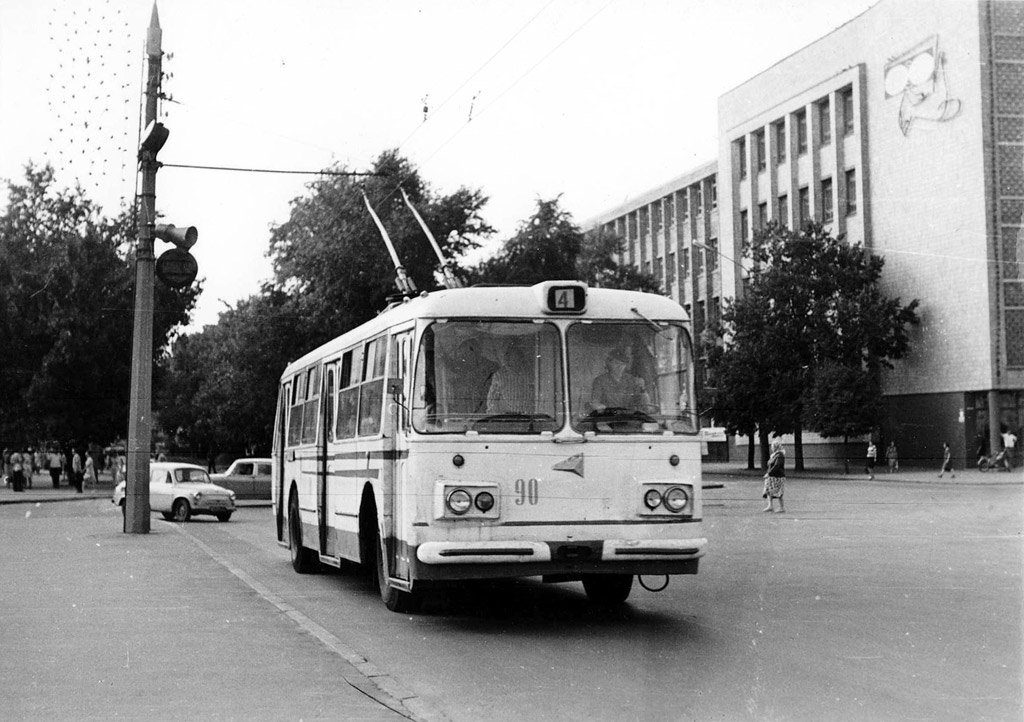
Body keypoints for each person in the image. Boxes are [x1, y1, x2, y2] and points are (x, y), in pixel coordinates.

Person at [591, 347, 649, 412]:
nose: (619, 367)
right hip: (609, 416)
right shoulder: (600, 381)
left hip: (629, 416)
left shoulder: (631, 380)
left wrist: (642, 389)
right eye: (616, 363)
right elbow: (595, 403)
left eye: (622, 364)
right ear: (609, 363)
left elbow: (644, 404)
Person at [486, 344, 534, 415]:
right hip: (508, 418)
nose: (517, 357)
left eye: (518, 354)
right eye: (508, 354)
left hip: (528, 417)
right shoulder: (500, 375)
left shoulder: (529, 373)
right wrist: (496, 418)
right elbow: (492, 401)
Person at [762, 439, 786, 513]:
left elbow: (777, 465)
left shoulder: (780, 455)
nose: (771, 448)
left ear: (776, 447)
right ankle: (770, 506)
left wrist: (769, 473)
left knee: (778, 492)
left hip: (778, 477)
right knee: (769, 491)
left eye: (772, 446)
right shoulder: (774, 455)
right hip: (772, 476)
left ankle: (782, 507)